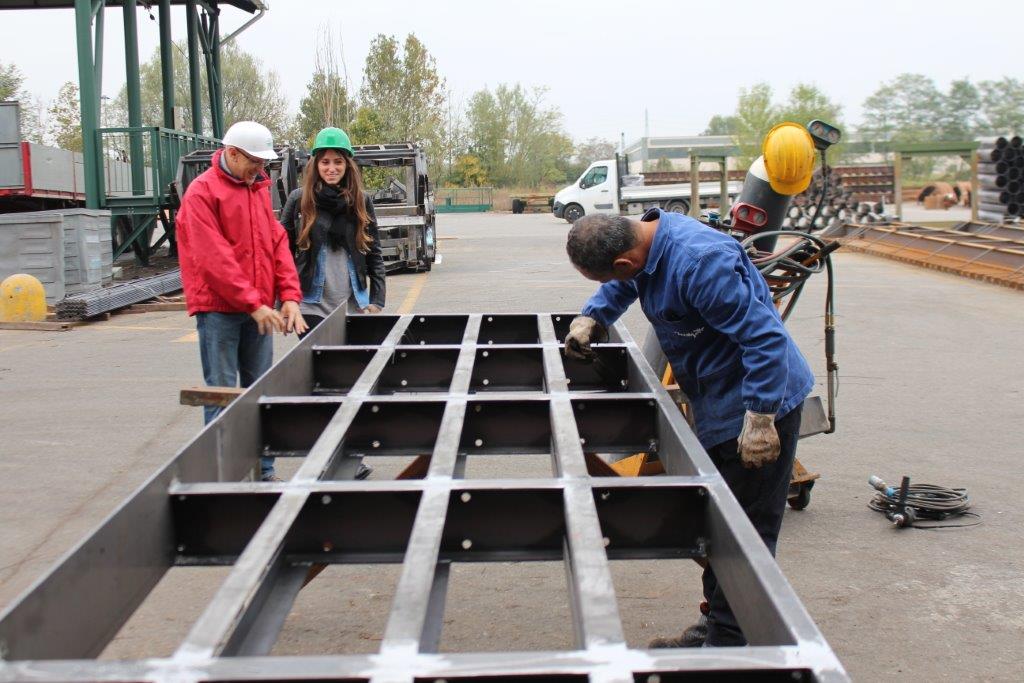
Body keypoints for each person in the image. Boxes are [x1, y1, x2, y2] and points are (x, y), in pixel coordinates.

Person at [563, 208, 814, 647]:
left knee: (745, 531)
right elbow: (625, 280)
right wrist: (593, 315)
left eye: (608, 278)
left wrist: (759, 418)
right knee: (718, 523)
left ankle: (731, 644)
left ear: (624, 258)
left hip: (756, 401)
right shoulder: (642, 240)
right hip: (717, 396)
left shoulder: (700, 262)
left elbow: (764, 339)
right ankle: (719, 624)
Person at [175, 120, 307, 482]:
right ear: (231, 154)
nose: (260, 170)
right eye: (255, 162)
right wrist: (253, 303)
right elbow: (213, 258)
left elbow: (276, 244)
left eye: (264, 164)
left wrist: (290, 297)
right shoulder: (202, 193)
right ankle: (223, 478)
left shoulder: (257, 190)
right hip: (220, 311)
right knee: (223, 395)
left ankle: (263, 472)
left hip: (257, 310)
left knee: (258, 393)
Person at [281, 126, 386, 334]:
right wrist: (283, 302)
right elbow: (282, 255)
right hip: (310, 303)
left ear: (347, 165)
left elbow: (374, 251)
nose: (332, 168)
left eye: (338, 162)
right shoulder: (298, 200)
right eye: (325, 162)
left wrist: (377, 298)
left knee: (350, 365)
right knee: (321, 364)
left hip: (353, 302)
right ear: (316, 164)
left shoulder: (361, 200)